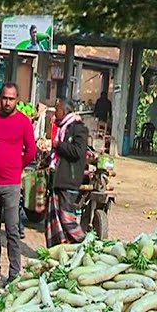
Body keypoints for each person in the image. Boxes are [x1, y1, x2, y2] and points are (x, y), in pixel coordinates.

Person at [0, 83, 36, 285]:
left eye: (11, 99)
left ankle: (14, 272)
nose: (7, 102)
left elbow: (31, 151)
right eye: (4, 98)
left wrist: (15, 166)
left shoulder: (24, 122)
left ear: (17, 100)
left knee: (12, 229)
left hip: (12, 184)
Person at [46, 99, 89, 246]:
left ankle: (84, 243)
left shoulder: (78, 129)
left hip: (68, 180)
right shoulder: (62, 129)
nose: (54, 114)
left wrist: (59, 145)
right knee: (55, 218)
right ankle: (59, 249)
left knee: (66, 217)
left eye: (57, 110)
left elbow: (78, 152)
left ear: (64, 112)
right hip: (58, 179)